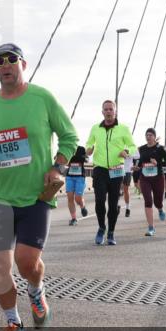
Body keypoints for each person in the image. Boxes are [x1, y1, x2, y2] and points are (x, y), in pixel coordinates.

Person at [0, 44, 77, 331]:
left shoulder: (42, 98)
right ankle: (13, 321)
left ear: (23, 64)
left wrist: (57, 166)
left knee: (27, 263)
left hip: (36, 197)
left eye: (11, 59)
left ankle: (36, 292)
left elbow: (69, 137)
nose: (5, 65)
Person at [84, 100, 135, 246]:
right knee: (100, 200)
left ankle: (111, 232)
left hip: (116, 169)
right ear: (102, 112)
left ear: (115, 111)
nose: (108, 112)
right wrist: (89, 148)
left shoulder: (123, 129)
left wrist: (127, 151)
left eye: (111, 109)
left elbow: (132, 146)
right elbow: (88, 143)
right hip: (99, 169)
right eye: (105, 109)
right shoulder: (95, 128)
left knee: (113, 204)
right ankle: (101, 227)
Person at [137, 129, 166, 236]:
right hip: (145, 178)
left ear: (154, 137)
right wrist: (136, 167)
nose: (148, 137)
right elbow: (140, 163)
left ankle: (160, 209)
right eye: (146, 135)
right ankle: (151, 227)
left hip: (157, 178)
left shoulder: (160, 149)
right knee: (148, 200)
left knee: (157, 202)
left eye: (150, 135)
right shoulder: (142, 149)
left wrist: (158, 163)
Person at [65, 146, 88, 225]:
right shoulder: (71, 157)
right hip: (69, 177)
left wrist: (83, 156)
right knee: (70, 198)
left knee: (78, 198)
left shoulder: (83, 158)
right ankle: (74, 219)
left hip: (80, 178)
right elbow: (65, 162)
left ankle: (82, 206)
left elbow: (87, 160)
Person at [123, 148, 140, 218]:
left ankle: (127, 208)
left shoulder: (131, 146)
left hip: (127, 171)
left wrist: (128, 153)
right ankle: (116, 205)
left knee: (125, 190)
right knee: (116, 190)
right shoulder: (117, 144)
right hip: (116, 169)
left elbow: (138, 156)